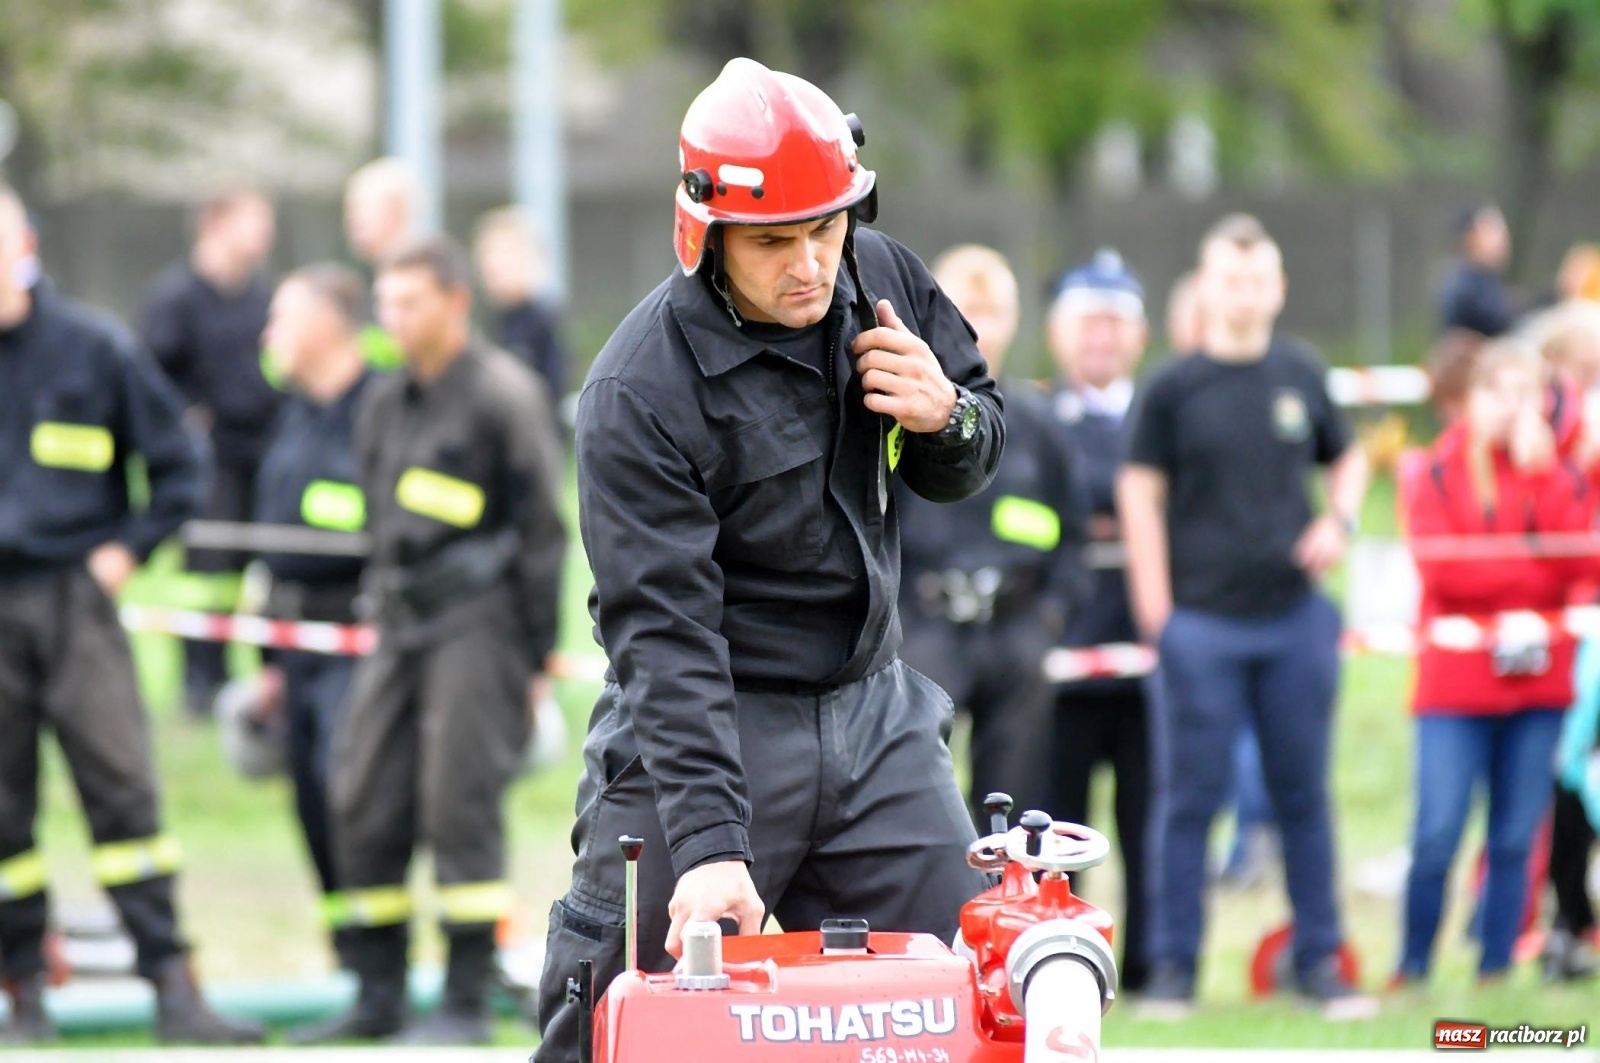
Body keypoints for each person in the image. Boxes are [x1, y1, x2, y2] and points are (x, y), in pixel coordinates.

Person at [533, 59, 1005, 1063]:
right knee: (616, 997)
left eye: (826, 227)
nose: (811, 263)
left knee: (984, 984)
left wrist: (947, 420)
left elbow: (975, 434)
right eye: (774, 240)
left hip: (874, 713)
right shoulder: (636, 392)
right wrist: (707, 844)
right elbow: (665, 634)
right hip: (709, 721)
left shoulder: (885, 277)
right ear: (705, 232)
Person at [0, 183, 263, 1045]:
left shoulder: (93, 350)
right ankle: (24, 993)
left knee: (124, 797)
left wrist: (127, 548)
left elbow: (181, 466)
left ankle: (173, 990)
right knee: (3, 817)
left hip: (75, 597)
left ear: (26, 246)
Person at [291, 238, 567, 1046]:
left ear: (454, 302)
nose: (393, 318)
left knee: (459, 804)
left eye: (409, 302)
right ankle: (375, 992)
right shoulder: (385, 402)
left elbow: (543, 532)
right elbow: (378, 522)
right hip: (401, 622)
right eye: (385, 303)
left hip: (479, 622)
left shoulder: (503, 395)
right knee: (361, 794)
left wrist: (533, 654)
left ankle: (465, 1000)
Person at [1119, 213, 1371, 1017]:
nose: (1245, 293)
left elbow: (1352, 455)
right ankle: (1174, 973)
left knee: (1303, 796)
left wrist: (1340, 521)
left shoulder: (1301, 373)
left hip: (1295, 623)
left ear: (1279, 288)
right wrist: (1158, 609)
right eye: (1231, 279)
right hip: (1202, 625)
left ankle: (1322, 964)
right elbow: (1139, 491)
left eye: (1258, 279)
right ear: (1208, 286)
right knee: (1190, 801)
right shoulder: (1172, 386)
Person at [1397, 340, 1595, 985]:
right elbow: (1445, 568)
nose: (1512, 409)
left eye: (1526, 393)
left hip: (1539, 688)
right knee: (1438, 832)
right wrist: (1531, 574)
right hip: (1454, 690)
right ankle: (1414, 965)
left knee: (1514, 838)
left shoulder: (1557, 475)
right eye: (1498, 393)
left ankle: (1496, 966)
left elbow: (1583, 558)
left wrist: (1541, 478)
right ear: (1470, 401)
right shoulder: (1434, 471)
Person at [895, 244, 1086, 824]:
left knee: (1016, 809)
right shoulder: (897, 415)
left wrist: (1049, 616)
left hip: (1016, 637)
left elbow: (1074, 538)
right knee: (912, 803)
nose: (979, 325)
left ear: (1014, 318)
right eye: (963, 307)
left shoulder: (1040, 427)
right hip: (925, 635)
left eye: (993, 308)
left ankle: (1005, 910)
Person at [252, 263, 379, 964]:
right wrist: (267, 659)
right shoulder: (293, 412)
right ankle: (346, 947)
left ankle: (377, 955)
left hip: (359, 637)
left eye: (283, 318)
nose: (270, 334)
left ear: (328, 325)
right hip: (293, 643)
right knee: (309, 800)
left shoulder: (380, 411)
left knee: (348, 790)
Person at [1042, 249, 1152, 992]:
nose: (1102, 340)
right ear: (1059, 335)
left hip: (1146, 660)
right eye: (1088, 324)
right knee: (1055, 830)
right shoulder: (1040, 417)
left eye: (1116, 324)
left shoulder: (1160, 415)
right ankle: (1059, 964)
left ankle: (1148, 965)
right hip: (1064, 654)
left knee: (1149, 820)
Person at [140, 189, 280, 716]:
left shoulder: (261, 296)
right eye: (253, 222)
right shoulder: (174, 298)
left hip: (263, 452)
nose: (265, 235)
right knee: (208, 570)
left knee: (266, 567)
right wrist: (184, 418)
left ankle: (269, 675)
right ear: (215, 224)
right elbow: (150, 377)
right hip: (209, 461)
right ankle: (202, 681)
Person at [472, 207, 567, 401]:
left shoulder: (544, 321)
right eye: (486, 254)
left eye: (503, 253)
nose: (492, 264)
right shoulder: (485, 320)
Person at [343, 158, 418, 371]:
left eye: (360, 208)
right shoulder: (372, 275)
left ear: (397, 211)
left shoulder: (419, 280)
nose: (351, 219)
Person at [1439, 200, 1517, 338]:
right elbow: (1499, 321)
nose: (1502, 238)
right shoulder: (1463, 287)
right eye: (1492, 229)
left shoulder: (1487, 279)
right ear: (1470, 237)